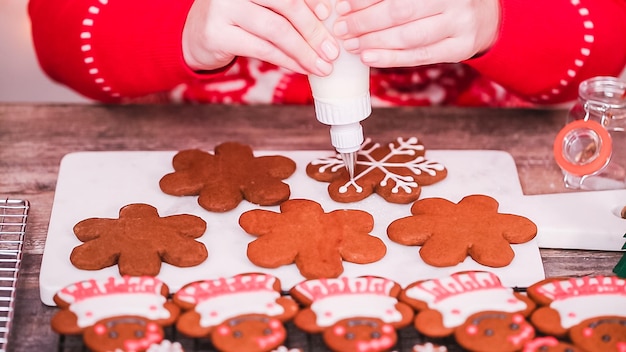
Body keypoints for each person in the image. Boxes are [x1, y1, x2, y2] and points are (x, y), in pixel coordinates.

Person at [28, 0, 626, 107]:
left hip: (471, 122)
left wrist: (499, 20)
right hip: (208, 127)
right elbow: (60, 37)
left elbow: (604, 49)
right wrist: (183, 28)